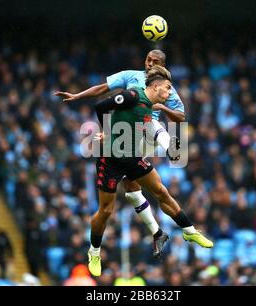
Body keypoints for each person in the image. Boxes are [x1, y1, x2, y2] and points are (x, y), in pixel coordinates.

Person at [55, 50, 184, 258]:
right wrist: (78, 96)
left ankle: (171, 147)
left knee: (150, 121)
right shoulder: (131, 75)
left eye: (155, 61)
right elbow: (103, 88)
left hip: (146, 133)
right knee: (132, 191)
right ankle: (157, 232)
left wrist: (162, 107)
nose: (150, 63)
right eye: (148, 59)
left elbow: (181, 116)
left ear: (162, 66)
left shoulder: (169, 90)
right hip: (127, 136)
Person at [86, 66, 213, 277]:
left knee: (161, 191)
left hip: (133, 158)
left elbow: (151, 127)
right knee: (106, 211)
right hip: (110, 159)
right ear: (155, 86)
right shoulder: (133, 96)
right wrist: (106, 132)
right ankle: (94, 251)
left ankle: (189, 231)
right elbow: (101, 106)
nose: (170, 92)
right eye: (168, 88)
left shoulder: (149, 107)